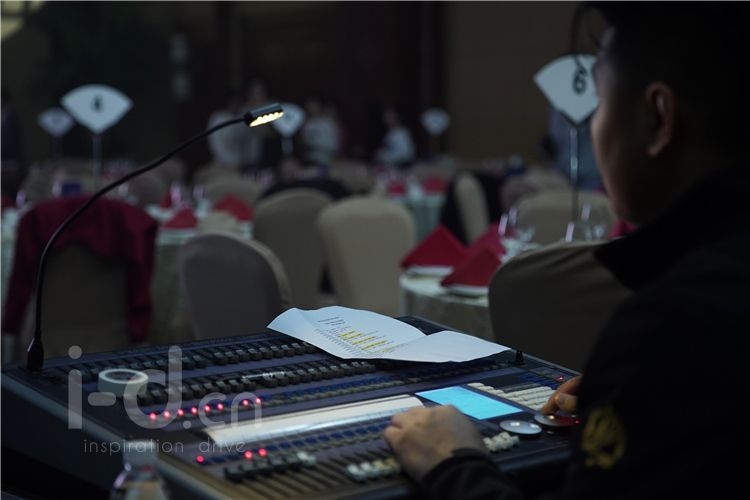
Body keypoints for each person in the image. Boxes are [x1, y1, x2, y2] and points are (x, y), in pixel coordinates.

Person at [385, 3, 750, 498]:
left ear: (658, 118)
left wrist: (453, 463)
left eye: (600, 103)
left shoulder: (674, 326)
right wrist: (631, 401)